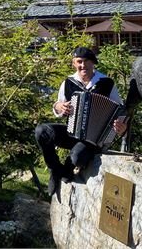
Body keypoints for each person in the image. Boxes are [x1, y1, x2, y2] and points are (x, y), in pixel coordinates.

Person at [35, 46, 128, 196]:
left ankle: (66, 169)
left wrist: (121, 128)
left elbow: (120, 110)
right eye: (79, 62)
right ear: (74, 63)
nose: (82, 65)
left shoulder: (106, 83)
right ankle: (55, 170)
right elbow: (58, 105)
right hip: (72, 132)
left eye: (86, 61)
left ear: (93, 63)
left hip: (94, 140)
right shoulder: (68, 82)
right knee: (41, 131)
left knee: (77, 158)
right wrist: (59, 107)